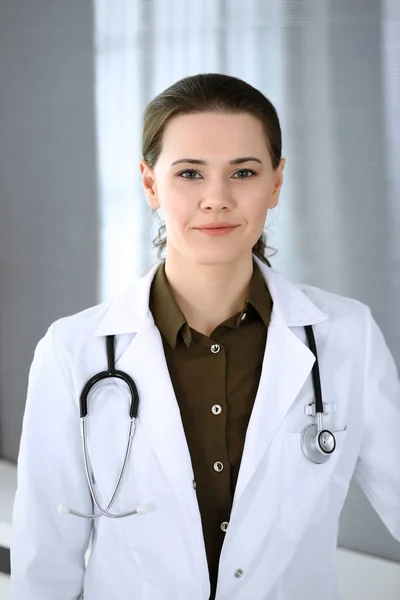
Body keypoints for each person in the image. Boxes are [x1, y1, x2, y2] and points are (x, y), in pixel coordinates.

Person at [10, 73, 400, 600]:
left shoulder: (348, 337)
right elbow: (45, 564)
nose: (216, 198)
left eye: (243, 171)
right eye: (190, 173)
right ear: (150, 183)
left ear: (277, 182)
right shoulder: (71, 351)